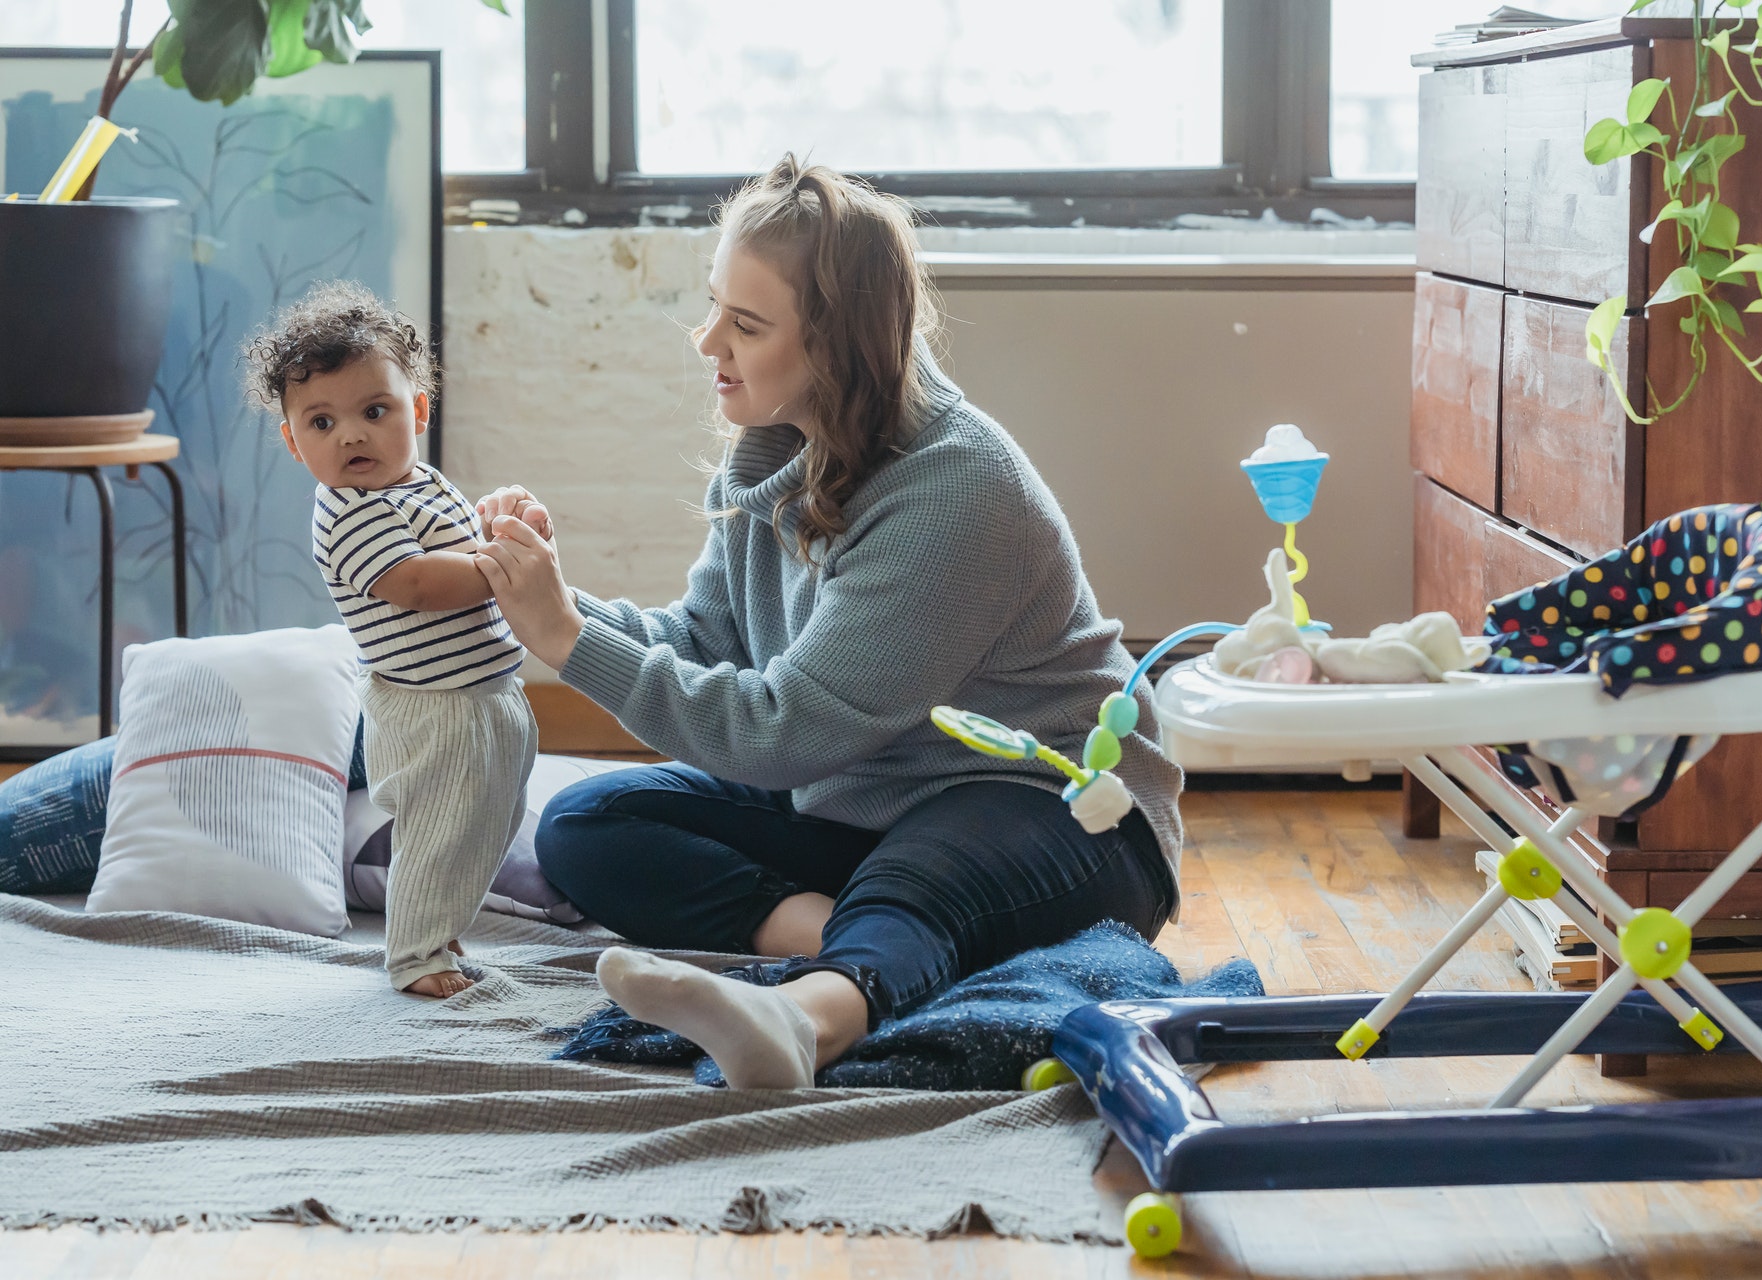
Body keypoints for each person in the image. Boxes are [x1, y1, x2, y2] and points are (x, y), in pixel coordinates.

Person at [472, 155, 1182, 1088]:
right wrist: (551, 603)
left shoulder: (957, 488)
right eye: (715, 304)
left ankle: (804, 1020)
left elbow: (779, 732)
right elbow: (708, 645)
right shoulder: (774, 452)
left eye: (747, 323)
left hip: (1054, 807)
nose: (706, 340)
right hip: (864, 796)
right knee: (587, 824)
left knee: (920, 876)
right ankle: (876, 942)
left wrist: (564, 639)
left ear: (839, 348)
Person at [250, 281, 539, 998]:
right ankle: (413, 954)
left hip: (486, 692)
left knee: (484, 824)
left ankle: (441, 925)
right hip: (433, 709)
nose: (350, 435)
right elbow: (416, 583)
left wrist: (500, 519)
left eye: (373, 412)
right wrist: (506, 564)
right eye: (321, 423)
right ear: (293, 442)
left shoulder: (414, 486)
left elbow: (454, 540)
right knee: (442, 830)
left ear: (417, 411)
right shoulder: (347, 512)